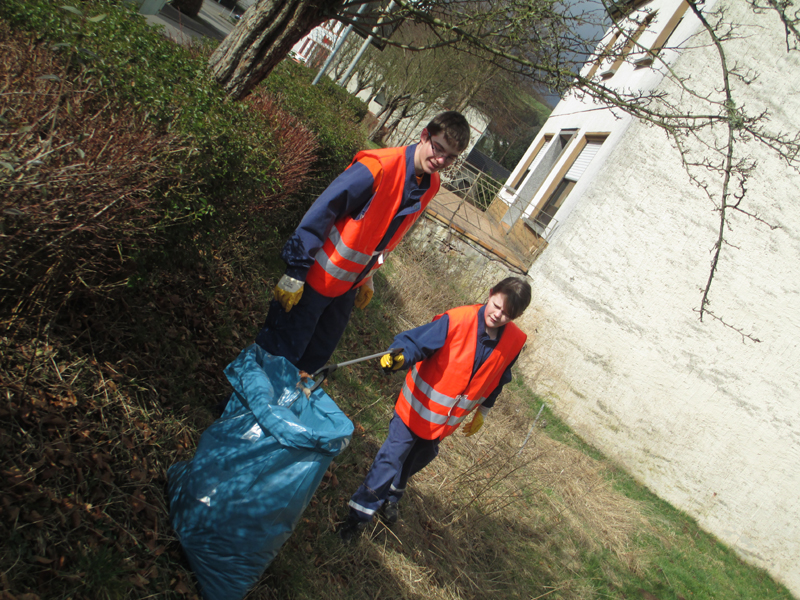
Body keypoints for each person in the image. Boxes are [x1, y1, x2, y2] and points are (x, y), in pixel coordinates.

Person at [254, 111, 471, 374]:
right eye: (438, 149)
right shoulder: (378, 167)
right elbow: (323, 211)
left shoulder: (430, 185)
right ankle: (239, 412)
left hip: (347, 288)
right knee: (279, 354)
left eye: (450, 157)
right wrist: (295, 270)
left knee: (312, 361)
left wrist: (369, 276)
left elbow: (386, 235)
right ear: (425, 135)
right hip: (315, 280)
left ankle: (277, 411)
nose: (440, 160)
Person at [338, 277, 532, 542]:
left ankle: (391, 497)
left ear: (517, 316)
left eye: (507, 314)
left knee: (417, 459)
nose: (498, 315)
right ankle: (356, 517)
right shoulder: (457, 320)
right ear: (490, 293)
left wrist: (484, 411)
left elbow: (499, 377)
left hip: (441, 424)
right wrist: (399, 356)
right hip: (414, 409)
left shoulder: (514, 342)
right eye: (496, 305)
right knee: (390, 460)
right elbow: (416, 342)